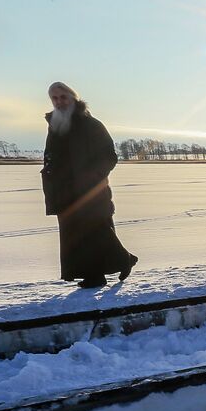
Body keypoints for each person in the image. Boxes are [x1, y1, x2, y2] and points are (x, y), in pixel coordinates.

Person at [41, 82, 137, 287]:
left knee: (96, 230)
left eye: (63, 97)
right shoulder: (55, 124)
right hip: (64, 190)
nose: (59, 102)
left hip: (90, 190)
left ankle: (121, 260)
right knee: (74, 234)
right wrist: (49, 174)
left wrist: (91, 177)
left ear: (73, 97)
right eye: (55, 98)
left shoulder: (91, 125)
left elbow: (109, 156)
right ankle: (94, 275)